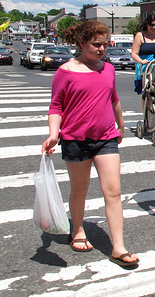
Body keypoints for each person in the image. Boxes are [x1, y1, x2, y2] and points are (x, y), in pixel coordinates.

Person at [41, 20, 139, 268]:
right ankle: (77, 230)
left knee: (113, 191)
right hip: (75, 139)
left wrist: (120, 124)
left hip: (105, 138)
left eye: (105, 44)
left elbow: (113, 98)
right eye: (97, 44)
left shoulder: (107, 69)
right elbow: (57, 106)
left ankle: (118, 247)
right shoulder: (65, 71)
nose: (102, 49)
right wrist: (54, 133)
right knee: (79, 190)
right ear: (82, 43)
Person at [131, 14, 155, 107]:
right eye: (151, 25)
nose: (154, 27)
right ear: (146, 25)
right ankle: (146, 115)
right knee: (147, 92)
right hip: (145, 65)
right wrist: (141, 61)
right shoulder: (140, 35)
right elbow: (134, 53)